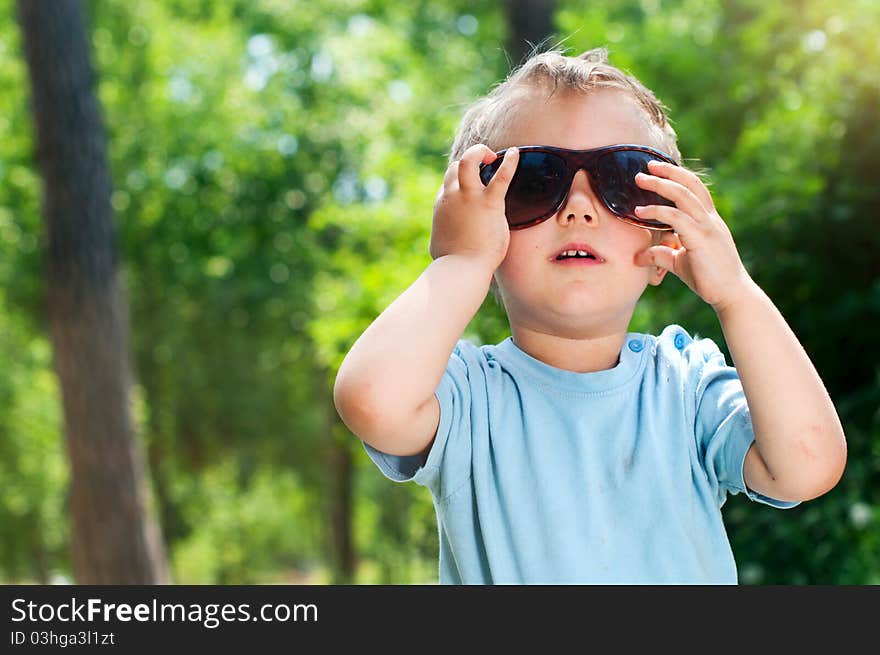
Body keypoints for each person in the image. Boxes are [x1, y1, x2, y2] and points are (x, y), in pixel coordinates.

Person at [332, 47, 847, 584]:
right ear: (486, 231)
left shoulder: (686, 387)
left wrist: (737, 296)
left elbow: (806, 465)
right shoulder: (465, 398)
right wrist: (461, 262)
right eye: (533, 181)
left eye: (622, 180)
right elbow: (371, 400)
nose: (579, 207)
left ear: (664, 237)